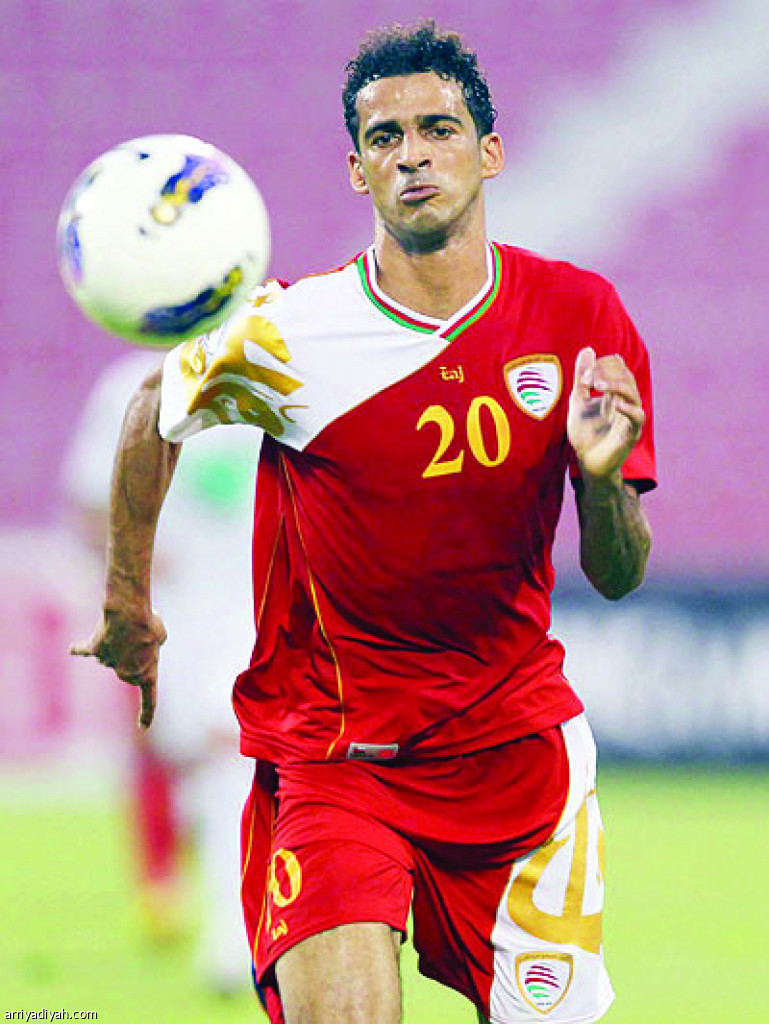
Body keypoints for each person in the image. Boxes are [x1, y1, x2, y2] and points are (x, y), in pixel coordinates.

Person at [72, 20, 656, 1024]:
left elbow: (617, 572)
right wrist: (128, 600)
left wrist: (601, 485)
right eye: (386, 138)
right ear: (357, 171)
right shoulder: (291, 331)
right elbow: (151, 409)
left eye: (438, 129)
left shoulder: (577, 316)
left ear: (489, 152)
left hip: (514, 757)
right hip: (336, 764)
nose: (413, 154)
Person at [64, 350, 259, 993]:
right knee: (193, 760)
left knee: (233, 756)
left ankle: (232, 942)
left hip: (259, 605)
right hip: (173, 615)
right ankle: (184, 888)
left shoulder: (269, 367)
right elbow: (89, 503)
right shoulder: (130, 385)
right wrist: (132, 573)